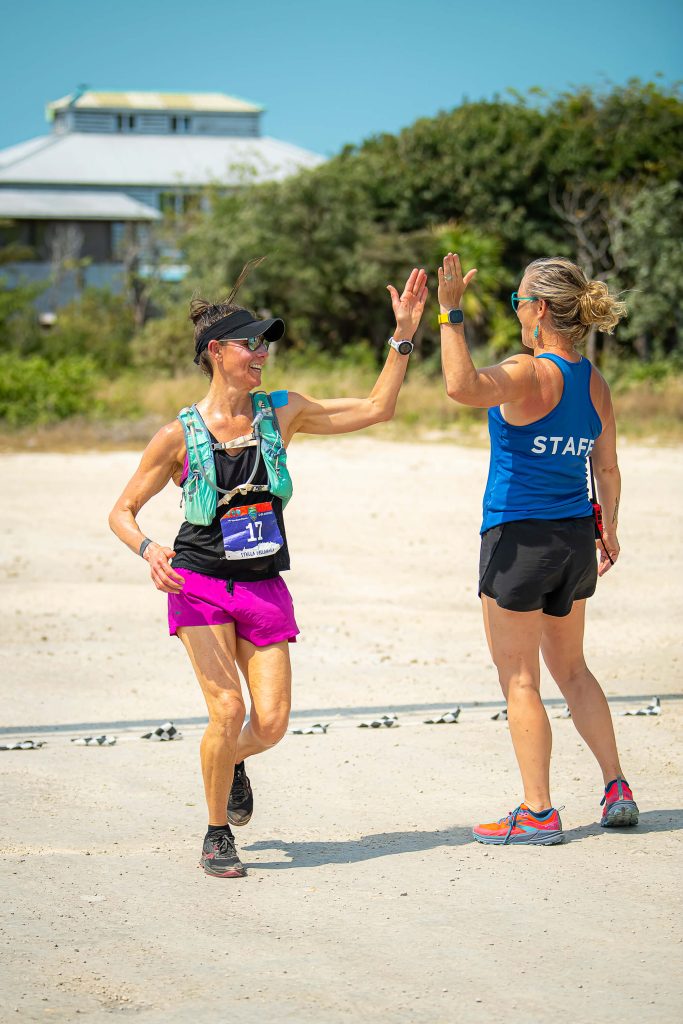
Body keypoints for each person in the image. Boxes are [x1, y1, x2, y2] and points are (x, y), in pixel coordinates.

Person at [109, 264, 428, 876]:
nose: (261, 353)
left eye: (264, 343)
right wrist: (150, 551)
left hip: (263, 587)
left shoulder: (282, 412)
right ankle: (215, 833)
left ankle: (227, 762)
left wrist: (405, 333)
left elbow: (377, 407)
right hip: (198, 585)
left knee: (272, 724)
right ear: (215, 353)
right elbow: (121, 511)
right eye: (249, 343)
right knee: (227, 711)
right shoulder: (177, 435)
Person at [436, 252, 638, 845]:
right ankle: (616, 786)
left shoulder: (529, 373)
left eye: (519, 301)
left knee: (520, 676)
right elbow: (608, 466)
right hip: (576, 536)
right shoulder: (592, 381)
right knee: (572, 669)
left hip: (518, 539)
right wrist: (610, 528)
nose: (517, 311)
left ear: (540, 309)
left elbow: (460, 386)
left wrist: (451, 314)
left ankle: (539, 811)